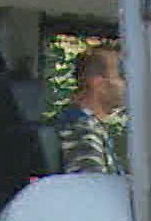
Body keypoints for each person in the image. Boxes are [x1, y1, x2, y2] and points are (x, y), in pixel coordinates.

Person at [53, 44, 124, 174]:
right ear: (98, 82)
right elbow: (93, 188)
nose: (128, 82)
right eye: (121, 75)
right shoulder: (80, 128)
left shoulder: (90, 125)